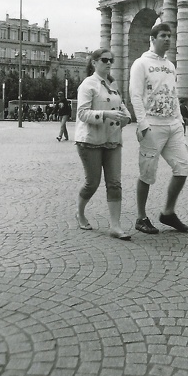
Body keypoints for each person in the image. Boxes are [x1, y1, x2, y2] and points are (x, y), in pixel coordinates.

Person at [129, 22, 188, 235]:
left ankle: (168, 212)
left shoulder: (171, 65)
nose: (167, 39)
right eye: (163, 35)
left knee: (183, 168)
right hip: (152, 124)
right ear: (152, 38)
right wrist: (142, 123)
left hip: (172, 124)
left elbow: (173, 94)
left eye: (169, 36)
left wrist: (180, 121)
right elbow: (135, 95)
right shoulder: (140, 63)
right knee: (147, 173)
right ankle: (141, 217)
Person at [75, 48, 132, 240]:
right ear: (94, 62)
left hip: (112, 139)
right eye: (105, 60)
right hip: (91, 140)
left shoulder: (112, 84)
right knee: (92, 183)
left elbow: (120, 105)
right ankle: (80, 212)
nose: (109, 63)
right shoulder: (87, 85)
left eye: (111, 60)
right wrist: (106, 115)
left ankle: (115, 226)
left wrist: (127, 116)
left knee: (115, 183)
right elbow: (82, 113)